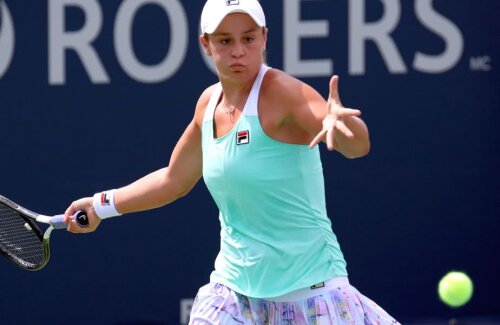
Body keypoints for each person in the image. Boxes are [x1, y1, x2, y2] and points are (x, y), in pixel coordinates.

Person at [64, 0, 400, 324]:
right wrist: (101, 206)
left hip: (311, 291)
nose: (238, 51)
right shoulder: (208, 104)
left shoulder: (284, 93)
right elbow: (173, 180)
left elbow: (356, 147)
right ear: (206, 45)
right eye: (225, 41)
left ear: (264, 38)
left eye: (249, 39)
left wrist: (344, 126)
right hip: (233, 293)